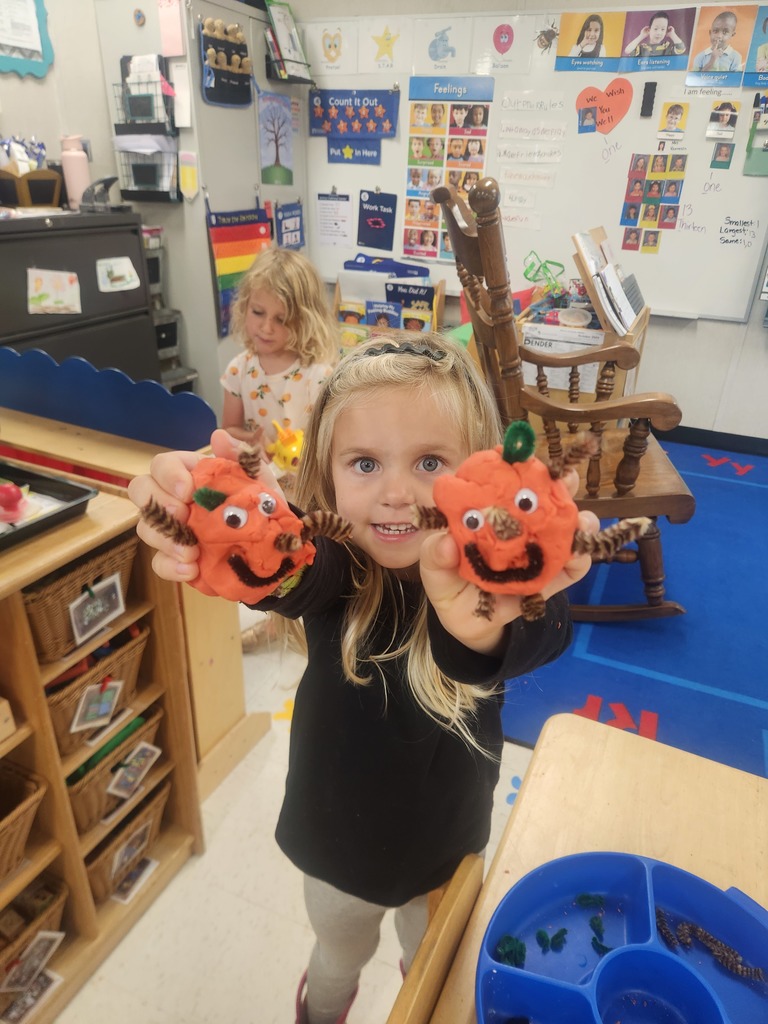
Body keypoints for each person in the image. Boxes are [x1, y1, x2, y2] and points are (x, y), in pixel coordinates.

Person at [127, 334, 597, 1024]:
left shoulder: (490, 591)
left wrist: (481, 631)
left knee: (430, 959)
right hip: (337, 839)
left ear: (483, 474)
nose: (397, 493)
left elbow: (543, 631)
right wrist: (213, 521)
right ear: (329, 474)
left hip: (446, 837)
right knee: (338, 955)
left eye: (431, 461)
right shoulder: (335, 566)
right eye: (365, 462)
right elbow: (289, 575)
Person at [220, 248, 337, 459]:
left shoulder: (319, 375)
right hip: (259, 480)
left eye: (281, 320)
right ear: (244, 307)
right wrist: (251, 439)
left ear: (305, 320)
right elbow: (228, 430)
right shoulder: (238, 369)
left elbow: (332, 442)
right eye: (258, 312)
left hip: (302, 485)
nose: (266, 328)